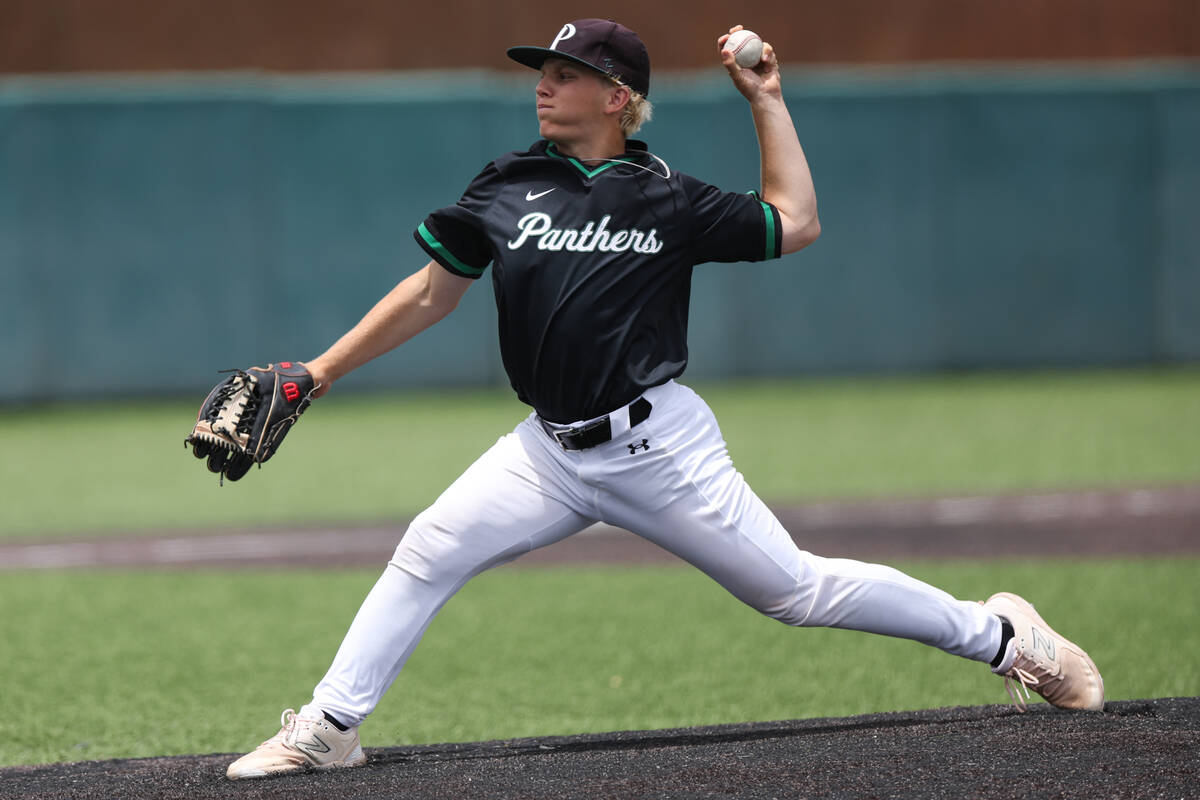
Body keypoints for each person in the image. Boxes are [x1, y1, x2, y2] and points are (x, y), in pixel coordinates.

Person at [224, 20, 1104, 780]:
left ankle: (1003, 638)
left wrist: (764, 96)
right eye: (544, 71)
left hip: (659, 449)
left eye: (566, 74)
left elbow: (794, 223)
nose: (545, 84)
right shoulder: (506, 183)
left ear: (618, 96)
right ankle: (330, 730)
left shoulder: (668, 198)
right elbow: (430, 292)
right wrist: (316, 371)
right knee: (427, 551)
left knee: (794, 591)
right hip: (546, 451)